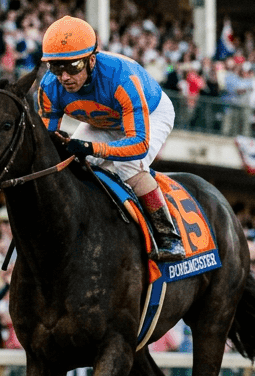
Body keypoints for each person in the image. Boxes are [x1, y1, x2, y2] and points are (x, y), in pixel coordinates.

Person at [37, 15, 185, 262]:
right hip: (103, 121)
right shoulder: (49, 87)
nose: (63, 77)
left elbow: (138, 144)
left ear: (91, 60)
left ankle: (168, 237)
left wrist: (93, 148)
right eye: (55, 67)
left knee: (128, 165)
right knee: (72, 165)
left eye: (72, 67)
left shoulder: (121, 78)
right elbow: (46, 141)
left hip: (151, 113)